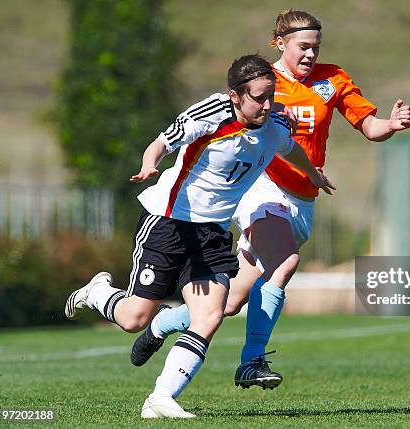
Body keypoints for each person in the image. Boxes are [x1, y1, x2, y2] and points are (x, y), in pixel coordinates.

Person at [130, 9, 410, 390]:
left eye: (316, 46)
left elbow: (369, 127)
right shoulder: (263, 82)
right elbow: (229, 121)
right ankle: (252, 361)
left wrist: (391, 125)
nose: (311, 54)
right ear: (280, 43)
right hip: (261, 189)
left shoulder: (333, 79)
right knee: (286, 260)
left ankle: (163, 322)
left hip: (303, 198)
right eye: (303, 46)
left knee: (230, 303)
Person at [64, 53, 334, 418]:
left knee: (209, 315)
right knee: (134, 319)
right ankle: (97, 292)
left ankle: (160, 399)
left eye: (271, 95)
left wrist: (313, 175)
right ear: (235, 95)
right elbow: (162, 142)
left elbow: (291, 149)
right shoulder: (211, 114)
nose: (268, 105)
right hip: (167, 223)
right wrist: (150, 163)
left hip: (212, 233)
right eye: (259, 97)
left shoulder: (274, 124)